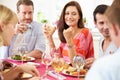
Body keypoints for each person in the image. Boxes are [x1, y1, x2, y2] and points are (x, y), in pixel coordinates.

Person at [0, 4, 40, 80]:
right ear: (3, 26)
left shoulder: (38, 27)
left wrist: (19, 69)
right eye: (13, 26)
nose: (14, 31)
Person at [85, 0, 120, 80]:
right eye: (101, 23)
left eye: (108, 22)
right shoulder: (101, 40)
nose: (106, 27)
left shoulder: (117, 43)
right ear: (95, 23)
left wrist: (97, 63)